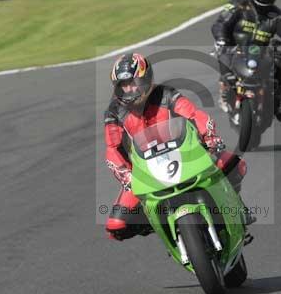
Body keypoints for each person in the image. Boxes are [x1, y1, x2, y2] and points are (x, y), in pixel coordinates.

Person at [104, 53, 251, 241]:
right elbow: (112, 148)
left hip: (186, 154)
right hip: (144, 170)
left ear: (146, 78)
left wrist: (210, 138)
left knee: (236, 165)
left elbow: (194, 115)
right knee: (117, 226)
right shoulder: (114, 112)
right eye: (123, 86)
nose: (129, 89)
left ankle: (237, 207)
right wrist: (126, 174)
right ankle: (165, 228)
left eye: (133, 83)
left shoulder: (166, 94)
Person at [211, 0, 281, 123]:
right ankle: (225, 89)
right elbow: (221, 23)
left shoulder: (276, 15)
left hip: (263, 51)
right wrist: (221, 39)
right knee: (223, 54)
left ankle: (278, 100)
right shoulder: (237, 5)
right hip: (236, 47)